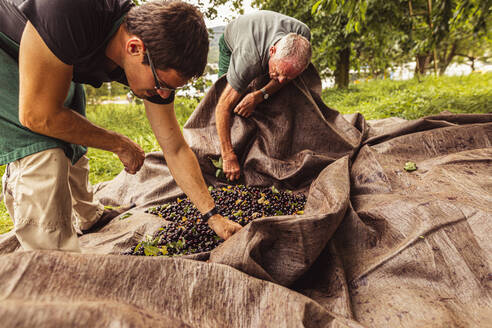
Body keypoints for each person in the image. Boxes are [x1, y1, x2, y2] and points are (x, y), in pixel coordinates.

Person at [0, 0, 241, 252]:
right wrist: (118, 143)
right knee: (44, 147)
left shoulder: (149, 54)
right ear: (135, 47)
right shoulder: (71, 12)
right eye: (161, 84)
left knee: (73, 131)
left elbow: (176, 148)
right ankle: (49, 262)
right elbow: (38, 115)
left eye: (171, 89)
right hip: (7, 46)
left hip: (55, 49)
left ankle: (88, 215)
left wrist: (212, 216)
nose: (162, 94)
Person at [215, 10, 312, 181]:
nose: (281, 80)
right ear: (273, 51)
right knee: (227, 96)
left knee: (281, 90)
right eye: (279, 72)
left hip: (263, 40)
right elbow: (222, 107)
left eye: (288, 76)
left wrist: (259, 95)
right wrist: (228, 156)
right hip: (233, 41)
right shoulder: (248, 58)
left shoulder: (303, 35)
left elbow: (283, 78)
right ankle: (222, 148)